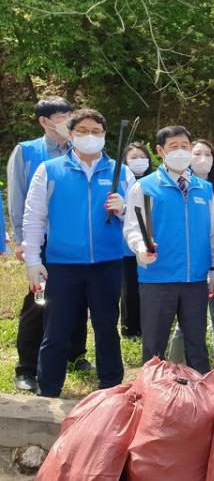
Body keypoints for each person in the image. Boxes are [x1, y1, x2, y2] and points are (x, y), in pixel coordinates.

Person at [23, 108, 132, 397]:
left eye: (96, 131)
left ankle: (111, 388)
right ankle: (49, 388)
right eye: (82, 131)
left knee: (107, 328)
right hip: (62, 264)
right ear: (71, 134)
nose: (89, 136)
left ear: (105, 135)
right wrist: (32, 260)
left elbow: (139, 219)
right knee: (56, 330)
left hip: (107, 263)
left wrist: (124, 209)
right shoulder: (50, 170)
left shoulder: (121, 172)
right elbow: (34, 217)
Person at [6, 96, 90, 392]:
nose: (69, 121)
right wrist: (22, 241)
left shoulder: (80, 149)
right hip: (40, 240)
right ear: (44, 121)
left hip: (77, 240)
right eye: (62, 116)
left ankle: (75, 355)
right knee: (38, 302)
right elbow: (17, 198)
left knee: (79, 297)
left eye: (70, 114)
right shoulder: (27, 152)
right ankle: (26, 367)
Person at [124, 126, 214, 374]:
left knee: (197, 346)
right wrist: (141, 248)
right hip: (158, 278)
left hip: (195, 280)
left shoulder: (204, 189)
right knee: (154, 347)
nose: (180, 151)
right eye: (173, 146)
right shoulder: (144, 187)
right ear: (160, 151)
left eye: (185, 146)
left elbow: (212, 233)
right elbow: (133, 227)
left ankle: (200, 390)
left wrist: (213, 269)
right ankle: (152, 390)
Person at [168, 139, 214, 371]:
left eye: (208, 154)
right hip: (192, 261)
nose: (203, 158)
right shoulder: (181, 185)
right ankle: (174, 365)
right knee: (187, 320)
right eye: (197, 153)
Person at [121, 143, 154, 339]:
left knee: (149, 288)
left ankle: (148, 326)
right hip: (127, 246)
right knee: (130, 288)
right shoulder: (121, 181)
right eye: (133, 157)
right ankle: (130, 329)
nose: (139, 161)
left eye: (142, 157)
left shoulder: (154, 182)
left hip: (151, 244)